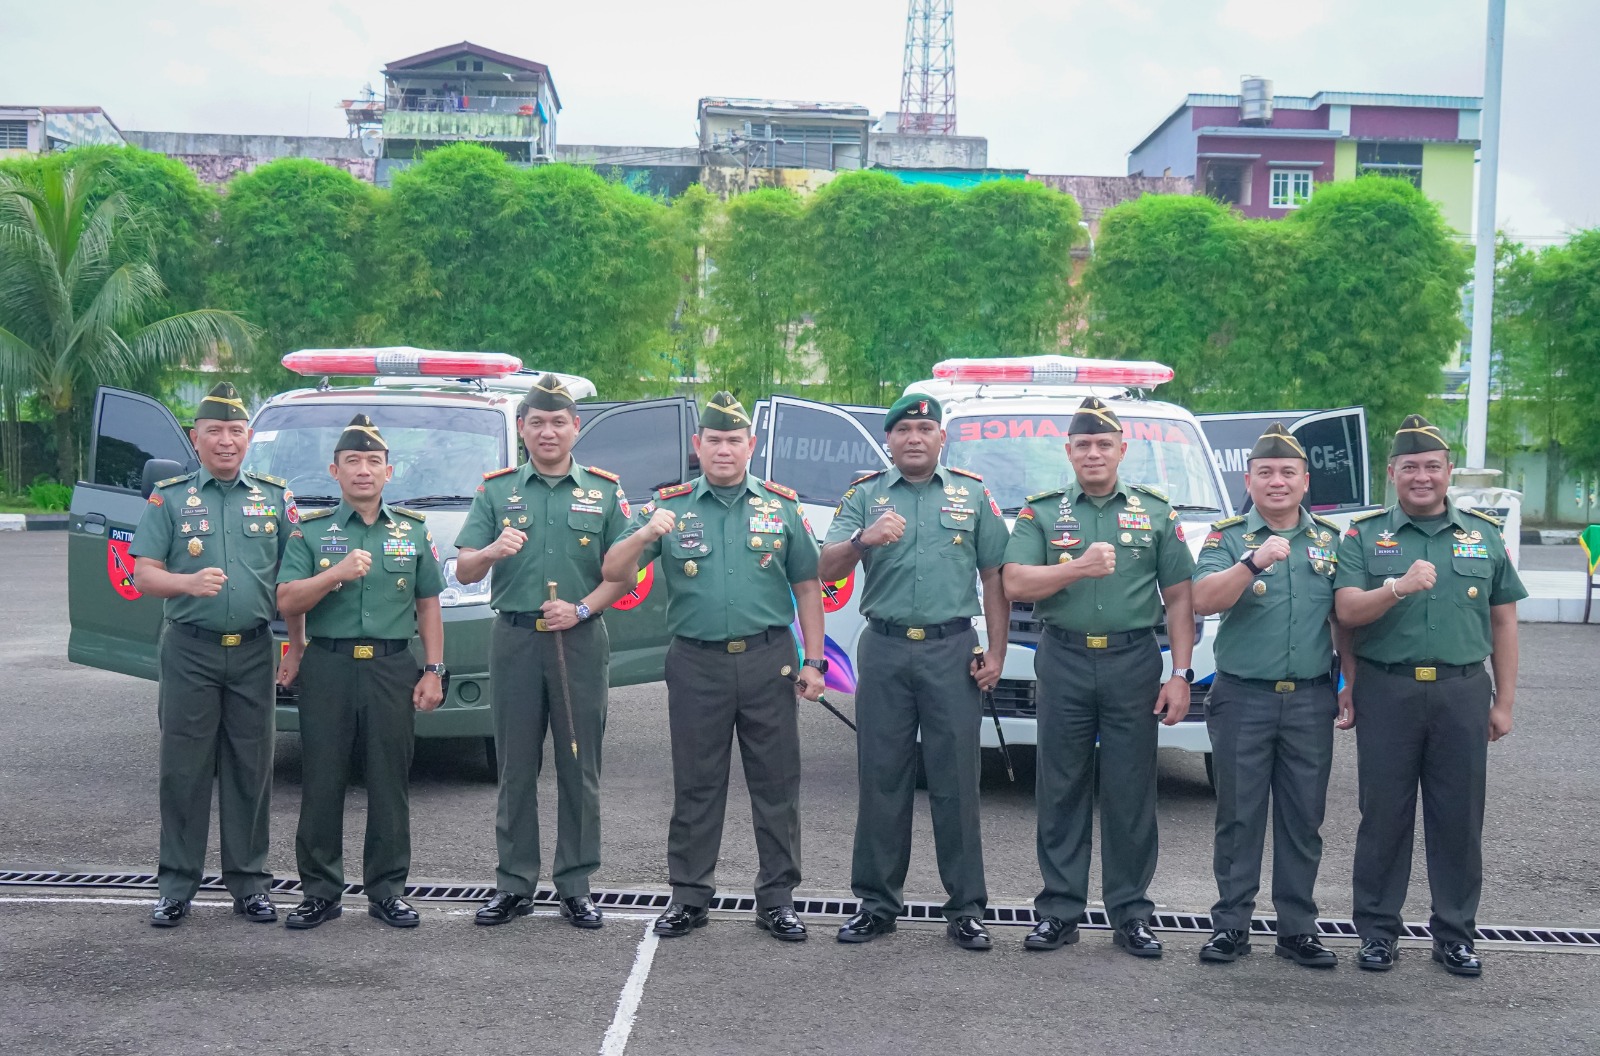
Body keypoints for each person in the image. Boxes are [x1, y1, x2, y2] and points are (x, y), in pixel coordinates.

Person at [602, 391, 826, 942]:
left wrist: (815, 661)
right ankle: (689, 896)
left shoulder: (782, 506)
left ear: (751, 446)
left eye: (734, 441)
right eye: (714, 441)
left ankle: (777, 899)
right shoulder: (668, 508)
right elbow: (611, 568)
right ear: (697, 447)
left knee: (776, 783)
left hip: (768, 658)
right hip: (696, 662)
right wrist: (643, 534)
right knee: (697, 784)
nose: (724, 450)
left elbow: (808, 586)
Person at [1001, 395, 1196, 957]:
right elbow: (1014, 581)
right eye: (1082, 444)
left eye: (1103, 444)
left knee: (1131, 788)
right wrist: (1078, 568)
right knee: (1060, 784)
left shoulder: (1156, 513)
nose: (1093, 453)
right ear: (1068, 451)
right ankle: (1059, 911)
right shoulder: (1040, 512)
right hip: (1062, 656)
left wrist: (1180, 673)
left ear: (1121, 450)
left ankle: (1131, 912)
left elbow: (1180, 597)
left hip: (1134, 659)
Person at [1335, 414, 1525, 978]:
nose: (1423, 477)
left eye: (1433, 467)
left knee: (1458, 819)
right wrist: (1395, 588)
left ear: (1448, 474)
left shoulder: (1482, 534)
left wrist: (1505, 701)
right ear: (1392, 473)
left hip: (1462, 691)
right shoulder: (1365, 534)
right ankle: (1376, 933)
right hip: (1387, 690)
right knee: (1383, 817)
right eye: (1411, 467)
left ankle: (1456, 935)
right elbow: (1345, 612)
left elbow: (1505, 623)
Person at [817, 393, 1009, 951]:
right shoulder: (865, 495)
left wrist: (996, 652)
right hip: (886, 648)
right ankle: (876, 905)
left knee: (957, 783)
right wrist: (863, 539)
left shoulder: (972, 494)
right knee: (882, 779)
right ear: (890, 440)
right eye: (904, 429)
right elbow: (822, 565)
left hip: (953, 650)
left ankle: (966, 909)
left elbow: (995, 576)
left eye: (925, 428)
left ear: (941, 438)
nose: (915, 438)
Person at [455, 374, 634, 929]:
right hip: (514, 639)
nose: (548, 431)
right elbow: (463, 568)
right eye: (537, 422)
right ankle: (514, 883)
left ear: (576, 428)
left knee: (580, 765)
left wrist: (581, 608)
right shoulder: (495, 491)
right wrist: (490, 550)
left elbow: (624, 576)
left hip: (578, 639)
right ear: (522, 429)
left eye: (559, 421)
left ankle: (575, 884)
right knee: (515, 766)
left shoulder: (604, 492)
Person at [130, 381, 301, 928]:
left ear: (249, 438)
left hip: (253, 650)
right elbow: (143, 574)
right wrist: (186, 583)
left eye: (235, 431)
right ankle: (176, 885)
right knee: (184, 769)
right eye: (214, 432)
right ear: (194, 438)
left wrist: (296, 645)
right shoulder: (171, 497)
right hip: (189, 651)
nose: (226, 442)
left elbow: (292, 583)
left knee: (251, 768)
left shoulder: (275, 497)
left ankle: (249, 884)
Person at [275, 414, 446, 930]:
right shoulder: (310, 532)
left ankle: (387, 890)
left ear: (389, 473)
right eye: (353, 461)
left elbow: (428, 604)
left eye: (374, 462)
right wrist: (334, 574)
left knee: (389, 780)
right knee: (322, 778)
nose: (364, 471)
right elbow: (287, 598)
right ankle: (320, 892)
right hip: (328, 664)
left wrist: (434, 669)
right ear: (335, 470)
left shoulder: (412, 531)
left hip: (393, 667)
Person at [1191, 423, 1352, 967]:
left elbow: (1343, 620)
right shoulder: (1228, 536)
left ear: (1305, 481)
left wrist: (1348, 683)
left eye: (1287, 473)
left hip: (1310, 698)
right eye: (1266, 473)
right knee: (1239, 816)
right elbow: (1203, 600)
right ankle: (1231, 925)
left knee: (1303, 817)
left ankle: (1297, 928)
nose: (1277, 482)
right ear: (1250, 479)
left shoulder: (1332, 541)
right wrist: (1253, 561)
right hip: (1244, 698)